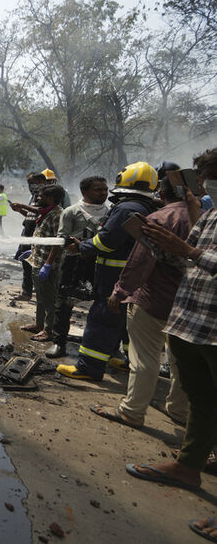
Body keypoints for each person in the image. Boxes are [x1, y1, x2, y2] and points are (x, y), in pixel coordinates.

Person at [123, 148, 216, 505]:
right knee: (203, 400)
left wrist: (187, 252)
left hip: (213, 327)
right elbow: (186, 260)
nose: (205, 184)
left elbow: (194, 256)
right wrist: (157, 245)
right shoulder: (209, 216)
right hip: (193, 321)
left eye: (210, 176)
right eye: (202, 177)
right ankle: (187, 466)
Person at [89, 163, 190, 427]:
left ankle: (132, 412)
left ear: (162, 190)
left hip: (154, 298)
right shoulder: (201, 216)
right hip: (188, 303)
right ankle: (179, 411)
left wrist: (119, 292)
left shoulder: (160, 218)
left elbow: (140, 262)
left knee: (145, 358)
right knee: (181, 362)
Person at [57, 161, 159, 381]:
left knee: (101, 319)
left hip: (114, 276)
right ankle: (126, 361)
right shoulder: (147, 205)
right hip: (132, 276)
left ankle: (88, 368)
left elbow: (107, 241)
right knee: (124, 320)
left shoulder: (126, 208)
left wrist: (81, 247)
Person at [45, 176, 109, 358]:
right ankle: (58, 343)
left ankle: (106, 348)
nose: (103, 193)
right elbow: (61, 239)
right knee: (63, 304)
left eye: (105, 189)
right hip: (74, 263)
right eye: (98, 189)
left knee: (103, 304)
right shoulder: (72, 212)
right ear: (84, 191)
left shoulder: (111, 213)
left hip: (100, 263)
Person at [12, 185, 65, 341]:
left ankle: (49, 331)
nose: (37, 199)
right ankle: (39, 325)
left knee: (49, 300)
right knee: (40, 297)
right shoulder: (47, 212)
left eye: (40, 196)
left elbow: (57, 242)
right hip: (38, 260)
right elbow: (35, 221)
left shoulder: (57, 215)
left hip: (47, 264)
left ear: (49, 198)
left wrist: (48, 265)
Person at [12, 173, 48, 301]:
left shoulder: (48, 197)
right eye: (29, 184)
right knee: (26, 264)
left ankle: (41, 295)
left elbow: (41, 212)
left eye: (33, 183)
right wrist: (19, 210)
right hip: (27, 233)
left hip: (38, 236)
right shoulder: (33, 197)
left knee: (37, 266)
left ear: (42, 182)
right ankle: (26, 292)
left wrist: (22, 205)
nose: (30, 186)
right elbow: (30, 215)